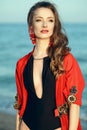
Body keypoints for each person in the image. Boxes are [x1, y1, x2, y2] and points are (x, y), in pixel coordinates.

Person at [14, 1, 85, 130]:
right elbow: (20, 103)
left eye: (50, 20)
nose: (45, 24)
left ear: (54, 26)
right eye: (39, 20)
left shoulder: (66, 59)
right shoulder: (21, 64)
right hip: (26, 126)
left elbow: (74, 102)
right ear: (31, 27)